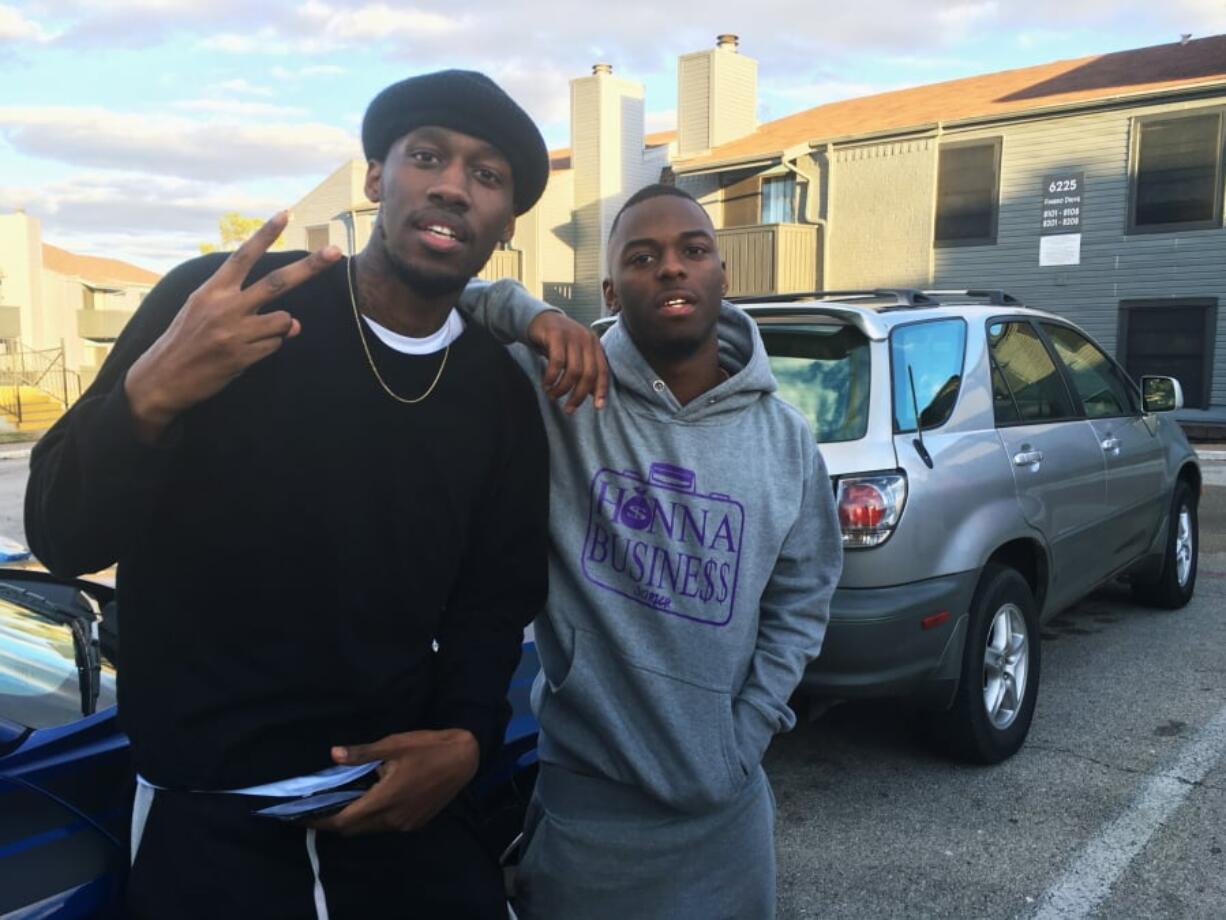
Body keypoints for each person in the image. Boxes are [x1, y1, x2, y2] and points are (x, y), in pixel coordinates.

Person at [25, 70, 569, 919]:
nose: (453, 185)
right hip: (208, 820)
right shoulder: (222, 304)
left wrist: (467, 738)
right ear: (375, 179)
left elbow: (493, 600)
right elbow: (62, 537)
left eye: (487, 176)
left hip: (397, 808)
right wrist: (148, 396)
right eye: (427, 155)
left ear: (504, 223)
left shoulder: (497, 393)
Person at [464, 183, 843, 919]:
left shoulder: (786, 440)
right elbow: (442, 294)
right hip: (588, 819)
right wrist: (533, 315)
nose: (672, 268)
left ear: (721, 275)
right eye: (643, 258)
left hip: (728, 819)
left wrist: (750, 730)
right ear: (610, 289)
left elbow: (804, 597)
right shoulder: (565, 396)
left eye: (693, 251)